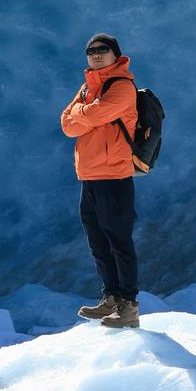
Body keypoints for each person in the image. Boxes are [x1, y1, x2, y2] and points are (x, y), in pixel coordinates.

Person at [60, 32, 141, 329]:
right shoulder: (87, 88)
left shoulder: (122, 87)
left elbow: (93, 115)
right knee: (98, 243)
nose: (95, 54)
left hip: (114, 175)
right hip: (89, 176)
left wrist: (83, 113)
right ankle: (111, 298)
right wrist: (87, 112)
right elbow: (66, 126)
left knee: (119, 242)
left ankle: (128, 306)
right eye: (90, 51)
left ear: (115, 54)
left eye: (102, 50)